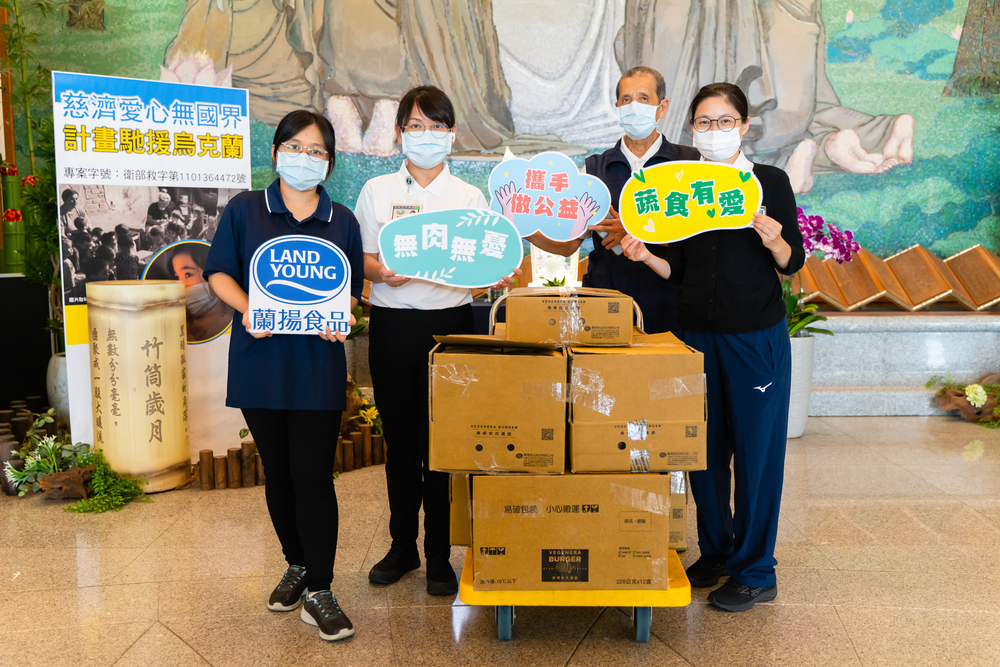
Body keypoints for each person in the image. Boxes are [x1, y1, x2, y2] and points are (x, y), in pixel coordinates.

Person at [621, 82, 804, 612]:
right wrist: (644, 256)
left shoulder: (769, 182)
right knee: (701, 453)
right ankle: (718, 553)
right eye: (704, 122)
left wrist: (772, 238)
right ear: (691, 129)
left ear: (744, 127)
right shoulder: (680, 188)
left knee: (755, 454)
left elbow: (792, 262)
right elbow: (679, 270)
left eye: (725, 121)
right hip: (694, 335)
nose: (714, 131)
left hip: (754, 336)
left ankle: (756, 570)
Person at [204, 109, 362, 642]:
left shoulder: (341, 220)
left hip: (317, 366)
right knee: (279, 473)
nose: (305, 157)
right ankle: (295, 563)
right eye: (295, 146)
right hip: (260, 363)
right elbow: (219, 272)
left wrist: (345, 319)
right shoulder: (246, 210)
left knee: (314, 476)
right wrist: (249, 308)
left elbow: (352, 290)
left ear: (330, 162)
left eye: (317, 150)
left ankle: (320, 588)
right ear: (275, 153)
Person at [355, 85, 518, 596]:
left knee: (442, 447)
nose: (426, 136)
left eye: (437, 127)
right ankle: (401, 546)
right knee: (401, 444)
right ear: (401, 132)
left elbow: (484, 266)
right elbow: (360, 257)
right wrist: (380, 274)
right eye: (416, 126)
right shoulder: (377, 191)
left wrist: (500, 273)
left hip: (450, 330)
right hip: (391, 328)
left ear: (451, 135)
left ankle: (439, 555)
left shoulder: (468, 199)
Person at [525, 66, 699, 334]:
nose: (634, 106)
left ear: (662, 108)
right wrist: (525, 228)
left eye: (643, 99)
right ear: (617, 106)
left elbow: (701, 239)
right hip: (607, 302)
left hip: (672, 300)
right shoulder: (594, 170)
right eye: (626, 100)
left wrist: (632, 230)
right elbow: (569, 244)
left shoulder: (690, 163)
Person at [170, 245, 233, 341]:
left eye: (188, 274)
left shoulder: (237, 324)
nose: (180, 285)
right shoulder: (179, 330)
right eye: (177, 277)